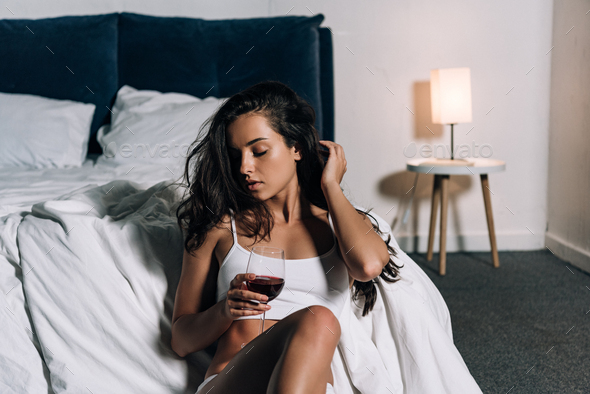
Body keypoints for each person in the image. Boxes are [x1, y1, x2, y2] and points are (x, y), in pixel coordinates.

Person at [170, 80, 403, 393]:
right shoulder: (221, 227)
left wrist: (330, 186)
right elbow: (181, 341)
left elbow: (370, 266)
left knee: (318, 320)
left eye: (259, 151)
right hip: (235, 383)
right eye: (235, 154)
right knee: (319, 317)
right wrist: (225, 309)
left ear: (296, 148)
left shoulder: (340, 224)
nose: (244, 167)